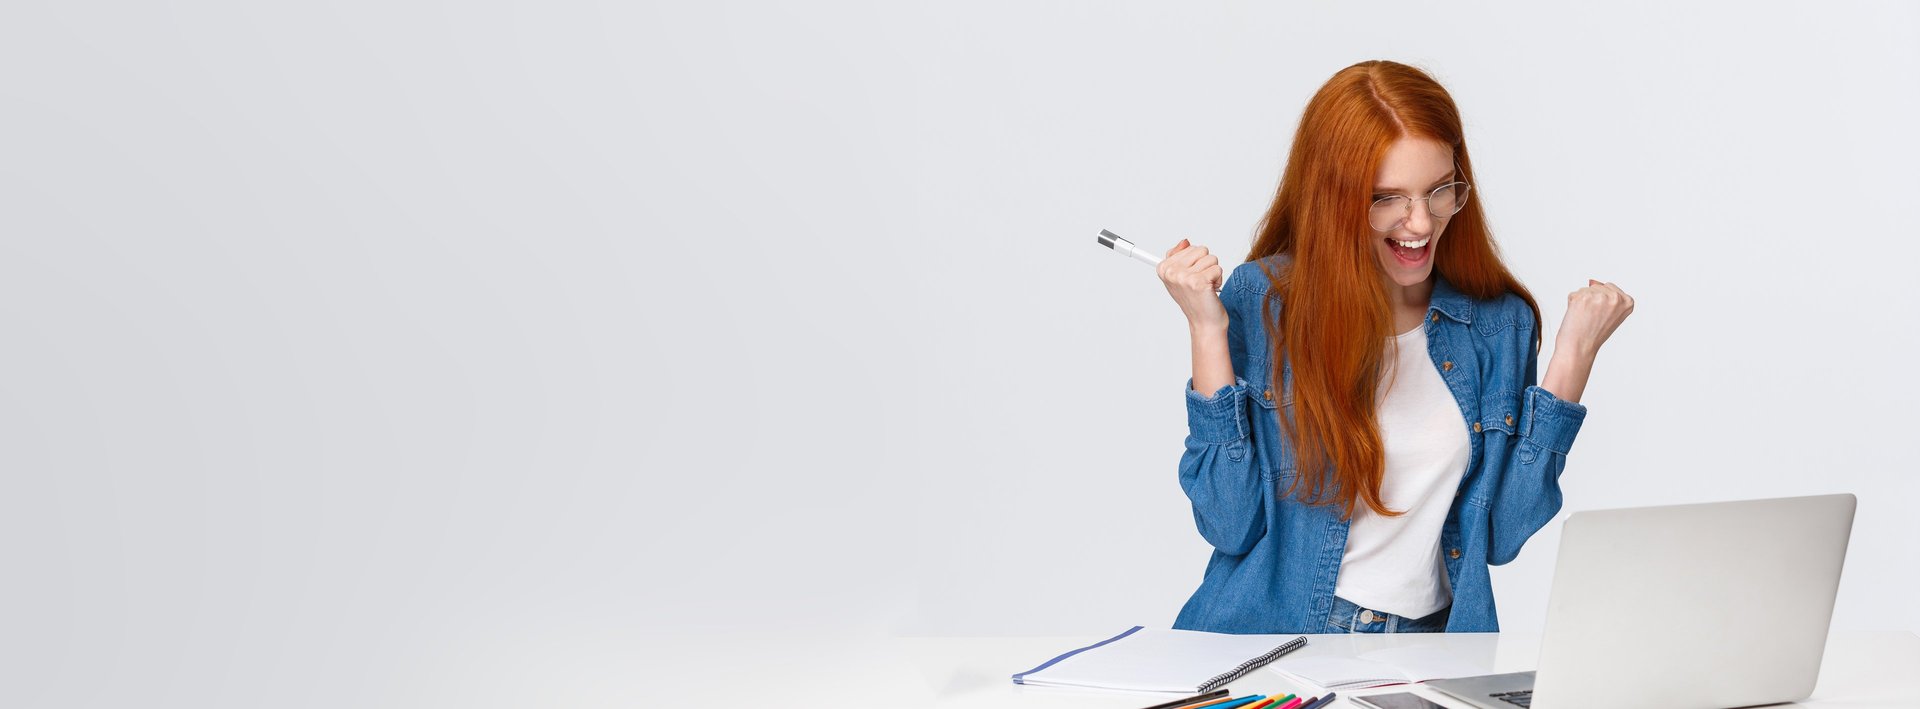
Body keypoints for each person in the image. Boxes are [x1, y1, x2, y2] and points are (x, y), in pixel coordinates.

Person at [1155, 60, 1633, 635]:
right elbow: (1228, 522)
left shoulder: (1496, 324)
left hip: (1432, 652)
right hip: (1280, 645)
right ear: (1332, 198)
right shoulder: (1263, 302)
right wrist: (1207, 330)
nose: (1420, 222)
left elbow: (1501, 537)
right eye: (1387, 197)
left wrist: (1572, 358)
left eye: (1439, 191)